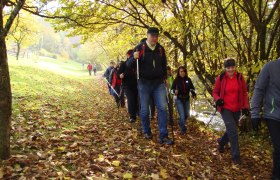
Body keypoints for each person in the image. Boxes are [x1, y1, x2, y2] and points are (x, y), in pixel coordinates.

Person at [127, 27, 173, 145]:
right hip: (144, 83)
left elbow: (164, 65)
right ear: (147, 35)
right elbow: (129, 64)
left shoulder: (160, 49)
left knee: (162, 108)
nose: (154, 38)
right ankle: (147, 131)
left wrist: (165, 78)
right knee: (144, 110)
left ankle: (163, 135)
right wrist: (134, 57)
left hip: (158, 83)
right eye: (152, 36)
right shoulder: (139, 48)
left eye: (156, 36)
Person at [212, 58, 249, 164]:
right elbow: (215, 92)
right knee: (233, 131)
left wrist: (245, 106)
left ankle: (222, 142)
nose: (231, 70)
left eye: (232, 67)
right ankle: (236, 157)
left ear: (235, 67)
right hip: (225, 108)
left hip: (237, 108)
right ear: (225, 68)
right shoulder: (221, 77)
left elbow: (244, 93)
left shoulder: (240, 77)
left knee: (231, 129)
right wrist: (218, 99)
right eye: (228, 68)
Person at [251, 58, 280, 179]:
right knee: (279, 147)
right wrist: (255, 114)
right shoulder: (270, 67)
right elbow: (258, 89)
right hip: (273, 114)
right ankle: (276, 175)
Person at [171, 66, 196, 134]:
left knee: (187, 115)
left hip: (187, 99)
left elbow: (192, 88)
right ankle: (183, 129)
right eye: (181, 71)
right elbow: (171, 90)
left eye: (184, 71)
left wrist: (193, 93)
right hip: (179, 99)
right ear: (178, 72)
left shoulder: (188, 79)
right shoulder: (176, 80)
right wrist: (174, 91)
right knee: (182, 115)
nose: (182, 73)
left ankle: (181, 122)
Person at [118, 50, 138, 122]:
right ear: (127, 55)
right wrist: (120, 75)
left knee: (136, 99)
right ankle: (132, 116)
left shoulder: (137, 63)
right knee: (131, 99)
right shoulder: (124, 64)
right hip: (127, 85)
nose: (130, 56)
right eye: (129, 54)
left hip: (137, 84)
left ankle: (137, 112)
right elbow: (118, 73)